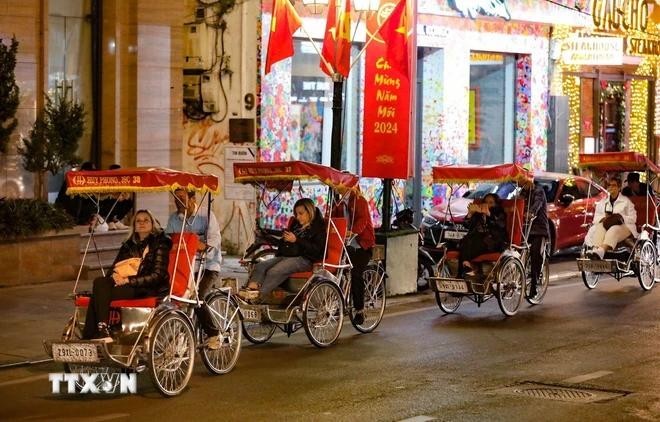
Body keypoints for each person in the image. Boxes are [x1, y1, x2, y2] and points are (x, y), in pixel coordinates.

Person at [82, 209, 172, 341]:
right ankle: (102, 329)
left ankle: (91, 335)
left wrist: (128, 280)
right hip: (126, 284)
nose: (142, 223)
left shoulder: (160, 243)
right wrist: (113, 278)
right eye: (138, 221)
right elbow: (114, 267)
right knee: (99, 283)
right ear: (134, 225)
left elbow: (157, 275)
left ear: (153, 224)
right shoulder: (128, 244)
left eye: (146, 220)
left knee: (99, 295)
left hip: (148, 287)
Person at [165, 188, 223, 349]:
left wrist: (199, 245)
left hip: (208, 265)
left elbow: (214, 239)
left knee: (198, 298)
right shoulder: (174, 219)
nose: (178, 201)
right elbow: (170, 240)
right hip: (184, 265)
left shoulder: (206, 215)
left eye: (182, 197)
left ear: (192, 199)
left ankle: (214, 334)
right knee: (173, 296)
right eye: (176, 197)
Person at [239, 198, 326, 302]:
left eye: (301, 213)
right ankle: (251, 290)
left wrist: (296, 240)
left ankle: (258, 296)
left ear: (310, 212)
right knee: (260, 266)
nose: (298, 217)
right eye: (296, 214)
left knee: (274, 271)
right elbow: (283, 244)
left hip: (305, 259)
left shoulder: (319, 228)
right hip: (288, 256)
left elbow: (317, 250)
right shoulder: (296, 225)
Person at [336, 189, 375, 326]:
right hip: (345, 245)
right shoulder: (339, 203)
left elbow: (363, 220)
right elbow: (332, 219)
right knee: (335, 269)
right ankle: (337, 302)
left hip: (362, 245)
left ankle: (359, 310)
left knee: (356, 273)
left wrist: (352, 232)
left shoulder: (360, 201)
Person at [585, 175, 638, 259]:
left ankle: (602, 250)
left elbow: (633, 218)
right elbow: (596, 219)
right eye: (609, 185)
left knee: (614, 229)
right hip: (607, 224)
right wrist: (604, 219)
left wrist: (621, 217)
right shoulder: (603, 202)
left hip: (625, 227)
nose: (611, 187)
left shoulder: (626, 201)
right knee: (599, 226)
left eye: (614, 185)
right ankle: (595, 250)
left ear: (619, 188)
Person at [459, 193, 507, 277]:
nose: (487, 204)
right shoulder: (478, 213)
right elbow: (466, 225)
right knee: (465, 241)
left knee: (473, 242)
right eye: (485, 202)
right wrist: (470, 214)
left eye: (491, 202)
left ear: (496, 204)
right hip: (476, 239)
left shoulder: (499, 213)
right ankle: (467, 266)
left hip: (493, 241)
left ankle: (472, 266)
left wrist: (489, 214)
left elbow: (500, 225)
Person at [521, 180, 549, 298]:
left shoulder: (538, 190)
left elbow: (537, 203)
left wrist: (531, 213)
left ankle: (535, 285)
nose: (522, 184)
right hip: (525, 228)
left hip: (539, 229)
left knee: (536, 254)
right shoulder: (523, 192)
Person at [100, 164, 133, 230]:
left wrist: (123, 196)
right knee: (111, 200)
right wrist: (113, 194)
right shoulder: (106, 179)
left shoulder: (122, 180)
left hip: (117, 201)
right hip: (104, 202)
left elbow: (125, 193)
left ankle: (116, 220)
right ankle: (110, 221)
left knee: (129, 202)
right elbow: (102, 194)